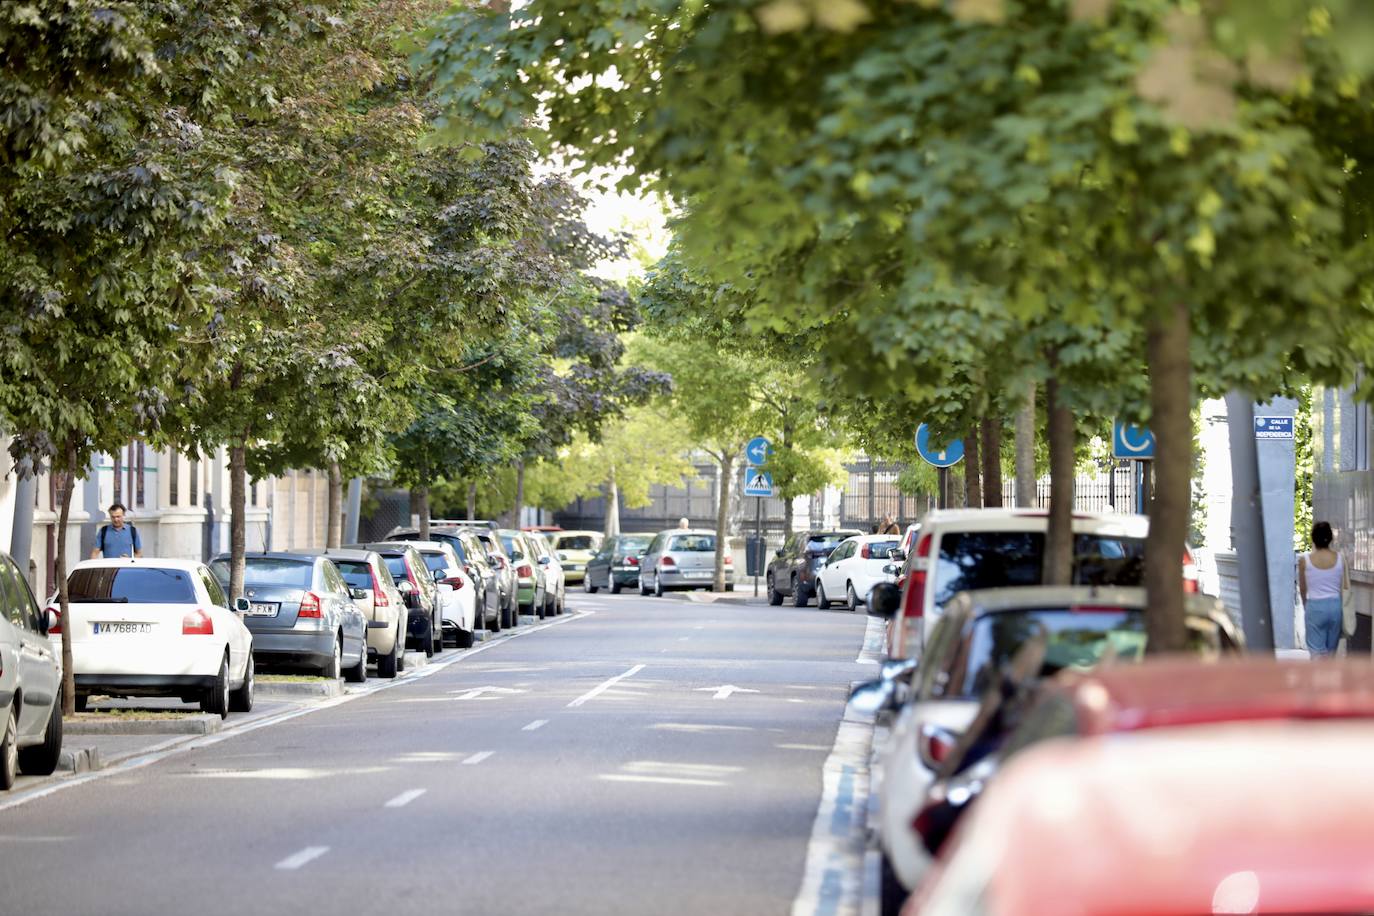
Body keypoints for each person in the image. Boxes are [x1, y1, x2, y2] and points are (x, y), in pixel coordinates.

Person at [1299, 520, 1349, 657]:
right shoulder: (1340, 559)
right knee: (1331, 653)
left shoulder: (1305, 560)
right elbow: (1343, 587)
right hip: (1335, 607)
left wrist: (1305, 604)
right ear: (1331, 538)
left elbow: (1303, 588)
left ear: (1313, 538)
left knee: (1316, 652)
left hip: (1315, 607)